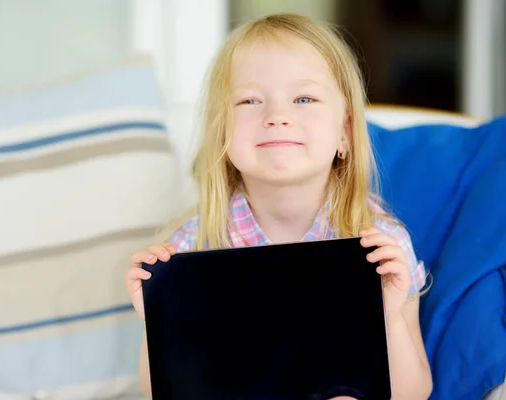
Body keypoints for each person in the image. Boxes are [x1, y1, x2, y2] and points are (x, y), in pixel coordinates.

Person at [125, 13, 432, 400]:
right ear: (222, 133)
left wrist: (388, 319)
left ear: (344, 133)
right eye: (250, 100)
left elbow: (415, 392)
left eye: (304, 98)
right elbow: (165, 392)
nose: (277, 117)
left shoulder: (380, 247)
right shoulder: (193, 247)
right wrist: (158, 321)